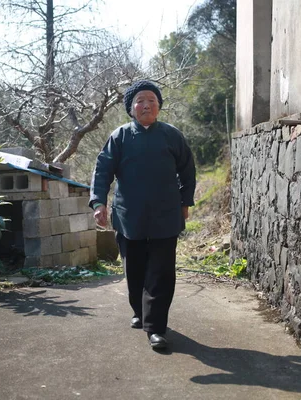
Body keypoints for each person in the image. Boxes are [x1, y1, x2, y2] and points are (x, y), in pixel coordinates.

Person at [89, 80, 196, 350]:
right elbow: (102, 170)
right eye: (139, 101)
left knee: (160, 272)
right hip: (129, 216)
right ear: (131, 108)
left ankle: (156, 327)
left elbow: (187, 170)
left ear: (159, 106)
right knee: (134, 270)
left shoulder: (172, 136)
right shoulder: (120, 137)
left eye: (151, 100)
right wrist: (98, 202)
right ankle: (140, 310)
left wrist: (186, 201)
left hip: (165, 215)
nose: (146, 104)